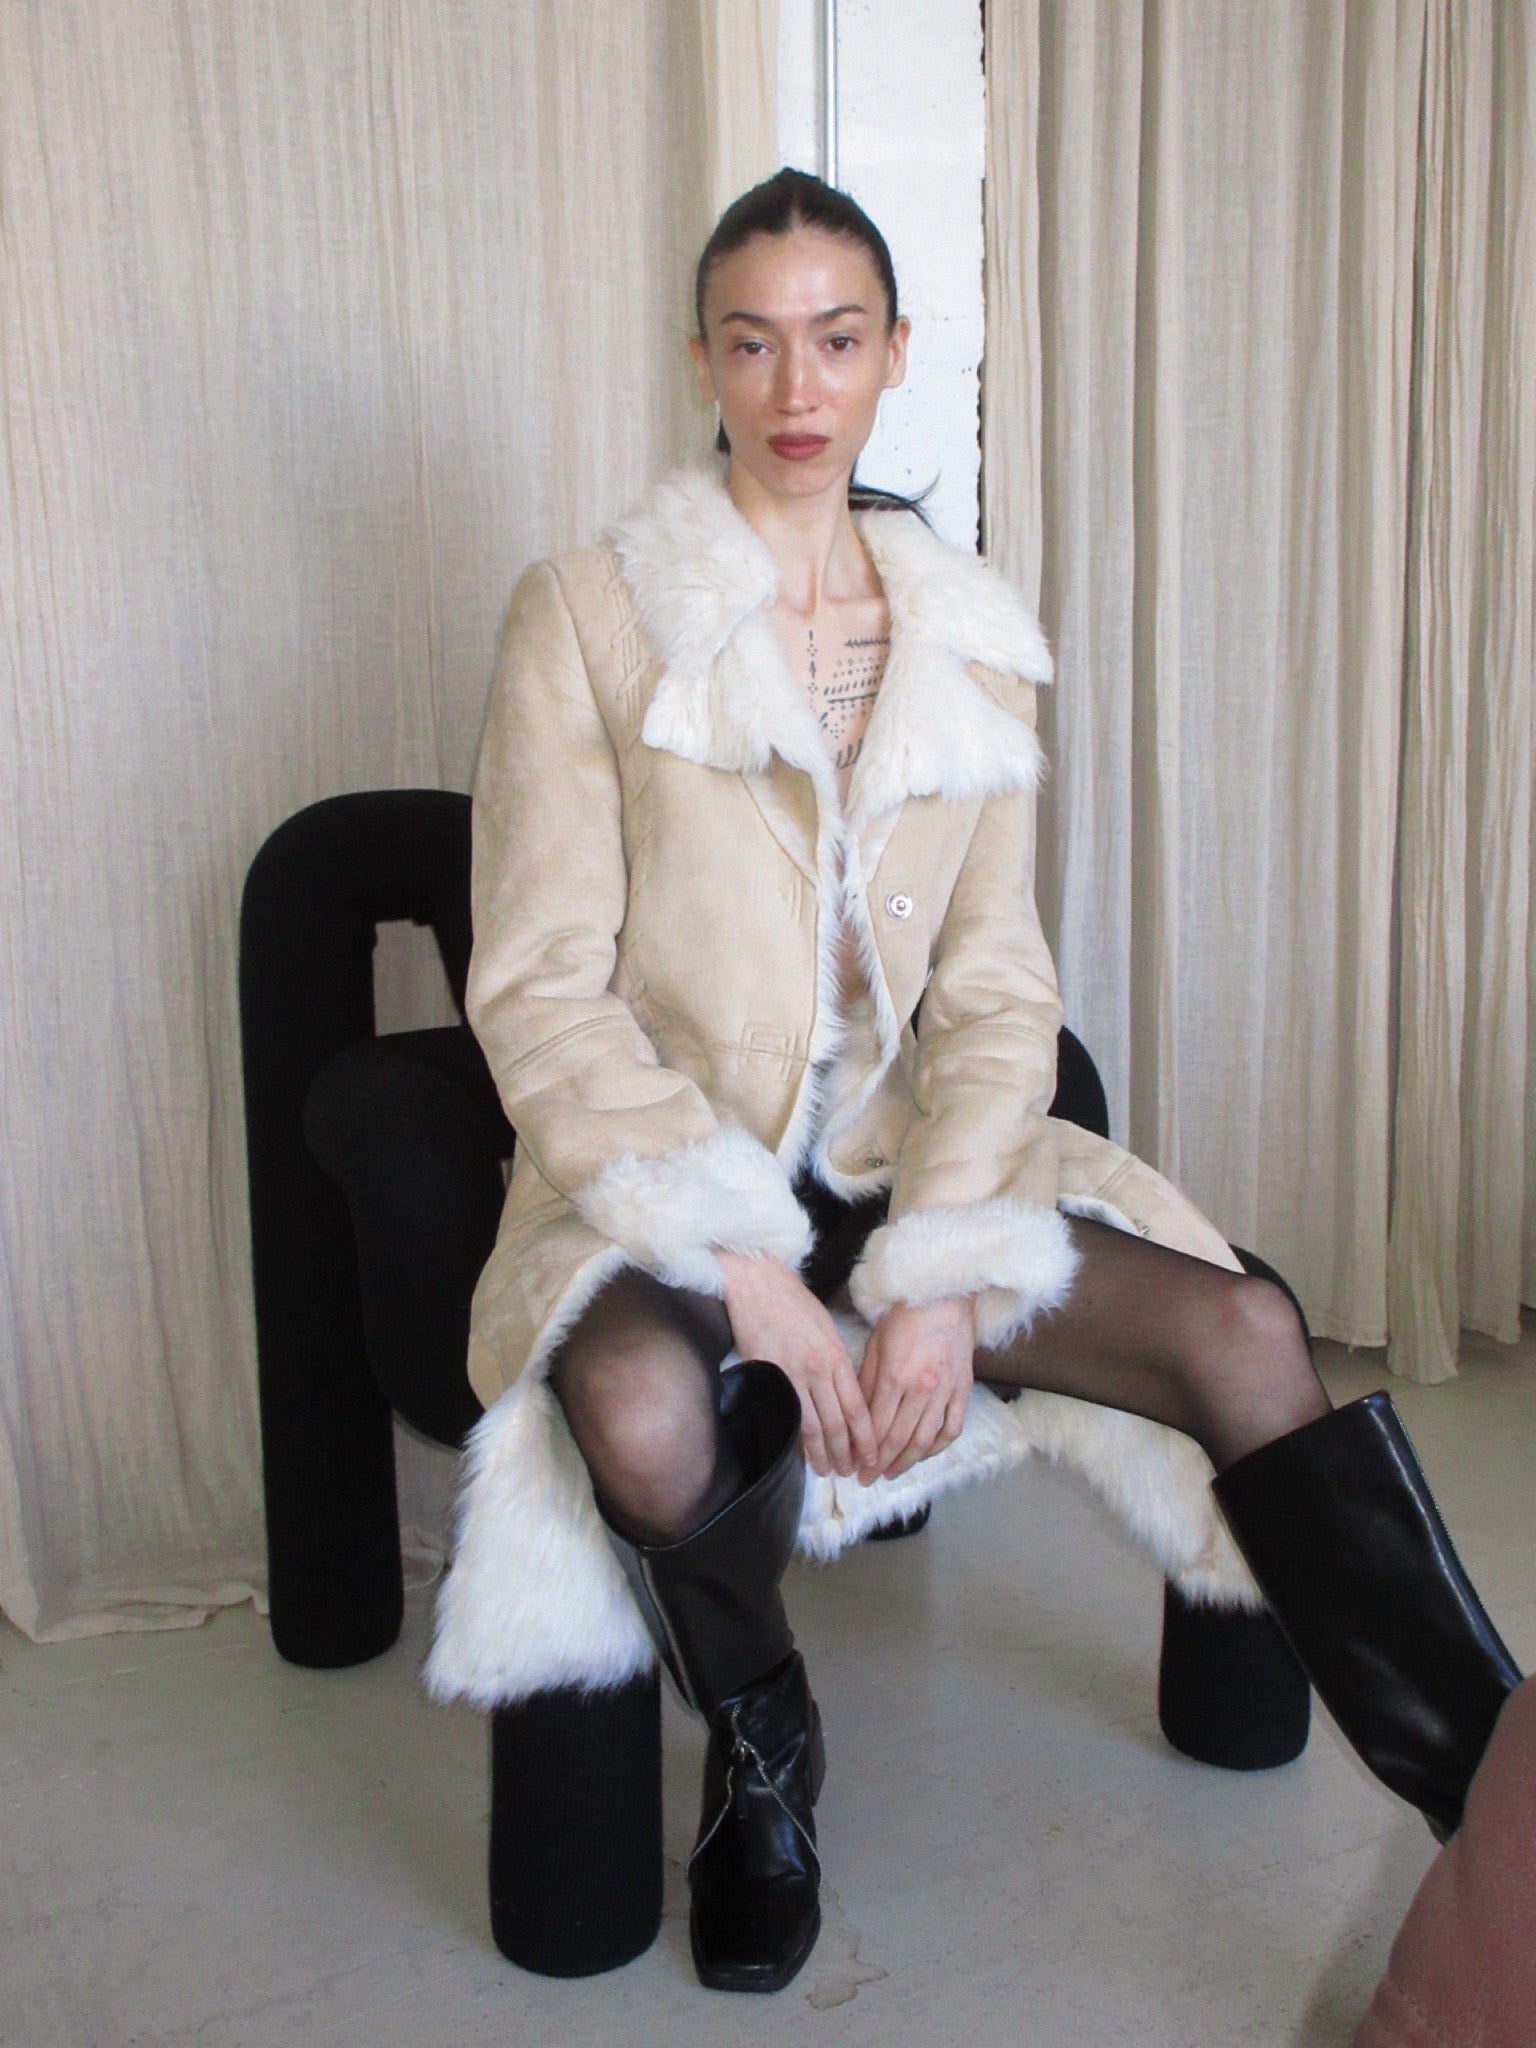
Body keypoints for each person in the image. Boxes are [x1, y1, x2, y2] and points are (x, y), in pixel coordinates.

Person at [431, 170, 1520, 1995]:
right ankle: (764, 1737)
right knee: (636, 1407)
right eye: (755, 341)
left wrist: (937, 1272)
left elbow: (1002, 992)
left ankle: (1497, 1793)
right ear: (702, 360)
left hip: (898, 1158)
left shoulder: (972, 636)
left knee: (1247, 1332)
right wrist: (742, 1264)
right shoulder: (591, 616)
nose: (798, 384)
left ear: (894, 356)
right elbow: (539, 989)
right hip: (661, 1165)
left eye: (837, 339)